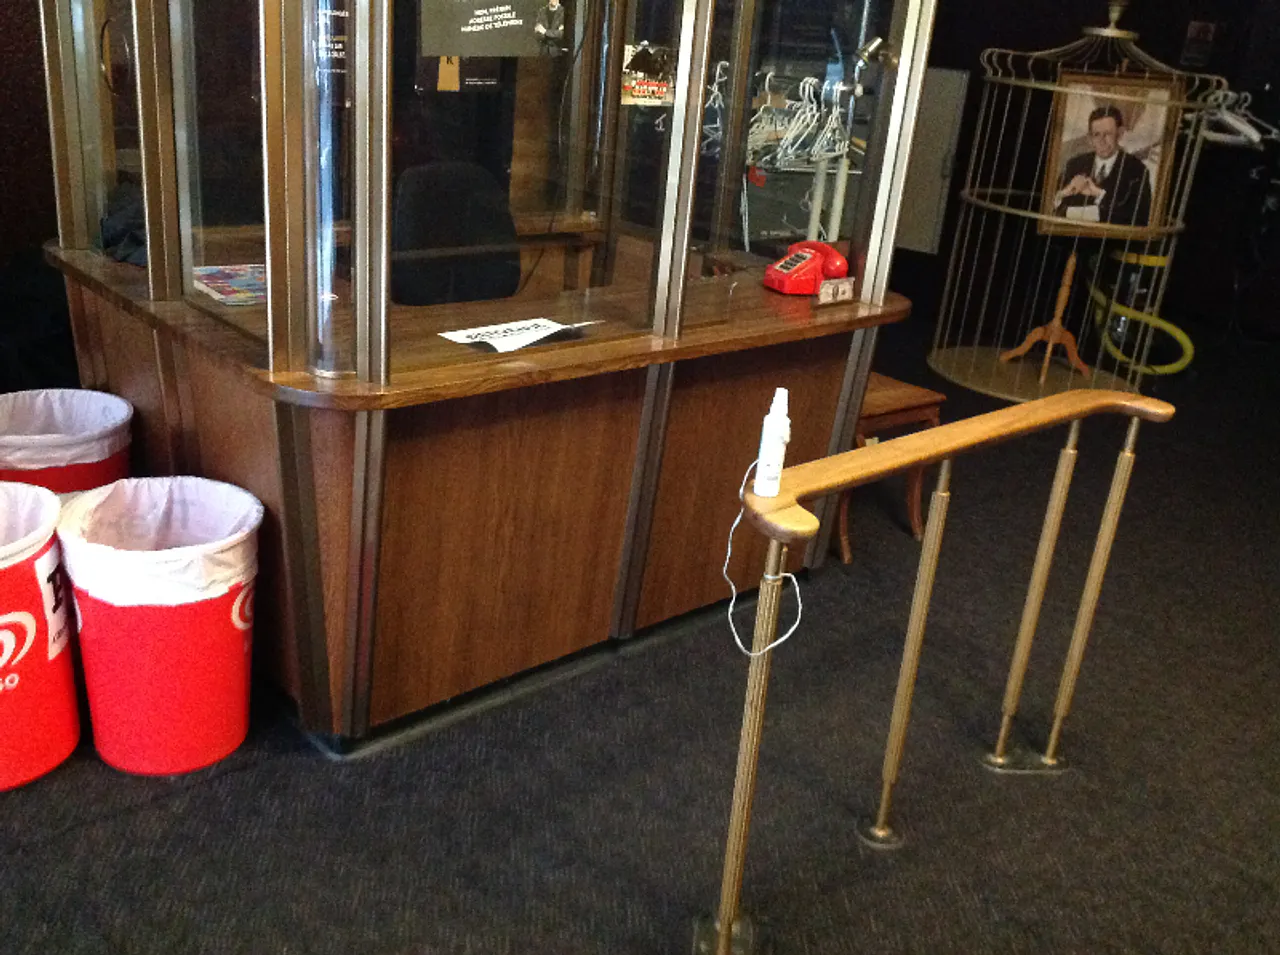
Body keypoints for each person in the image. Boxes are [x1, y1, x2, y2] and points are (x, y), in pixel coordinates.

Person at [1053, 104, 1153, 227]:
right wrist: (1064, 193)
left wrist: (1099, 194)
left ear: (1120, 133)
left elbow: (1139, 219)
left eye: (1108, 134)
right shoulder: (1074, 165)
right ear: (1090, 138)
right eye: (1096, 135)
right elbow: (1052, 209)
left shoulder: (1138, 171)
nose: (1102, 141)